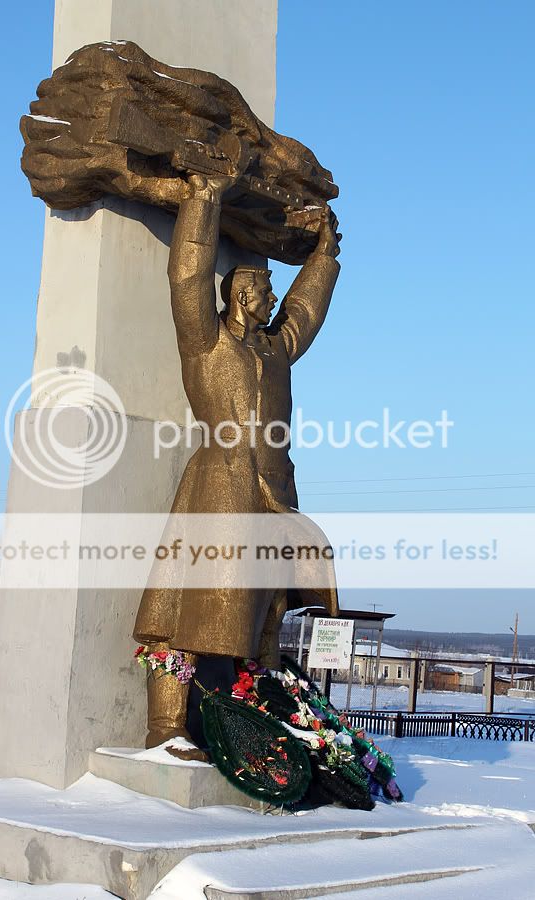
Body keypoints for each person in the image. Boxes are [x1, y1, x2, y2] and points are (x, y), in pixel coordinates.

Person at [134, 163, 342, 756]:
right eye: (265, 290)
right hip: (217, 490)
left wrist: (325, 256)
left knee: (266, 614)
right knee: (184, 611)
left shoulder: (276, 351)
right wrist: (206, 198)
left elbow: (306, 313)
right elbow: (187, 279)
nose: (274, 298)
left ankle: (259, 727)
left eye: (274, 291)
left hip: (273, 497)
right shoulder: (207, 341)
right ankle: (167, 729)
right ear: (242, 295)